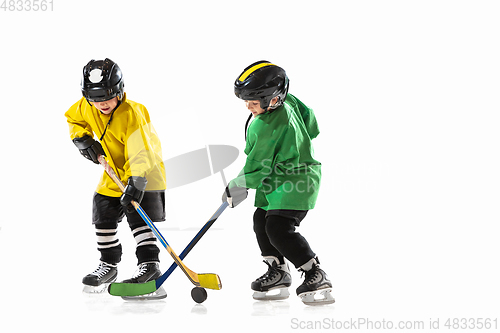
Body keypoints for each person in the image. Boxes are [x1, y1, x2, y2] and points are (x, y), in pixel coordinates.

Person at [222, 61, 334, 306]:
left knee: (278, 228)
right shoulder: (290, 100)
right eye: (246, 101)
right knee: (260, 220)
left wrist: (236, 186)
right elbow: (311, 122)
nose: (248, 107)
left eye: (254, 102)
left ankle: (315, 272)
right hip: (279, 179)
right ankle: (278, 271)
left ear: (273, 99)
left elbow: (256, 166)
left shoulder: (264, 126)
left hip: (296, 180)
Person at [65, 58, 167, 299]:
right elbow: (73, 119)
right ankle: (108, 265)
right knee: (103, 211)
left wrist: (136, 180)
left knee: (139, 217)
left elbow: (141, 150)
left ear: (120, 91)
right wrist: (82, 139)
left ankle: (150, 266)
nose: (102, 103)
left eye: (107, 97)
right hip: (114, 172)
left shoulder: (132, 112)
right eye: (95, 98)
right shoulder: (86, 105)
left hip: (145, 173)